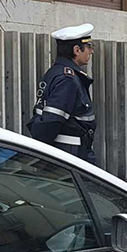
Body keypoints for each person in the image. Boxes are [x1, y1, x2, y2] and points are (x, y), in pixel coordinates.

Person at [27, 24, 98, 164]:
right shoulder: (67, 79)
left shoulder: (57, 72)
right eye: (89, 46)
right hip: (70, 154)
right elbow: (51, 123)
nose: (91, 51)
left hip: (66, 151)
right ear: (77, 50)